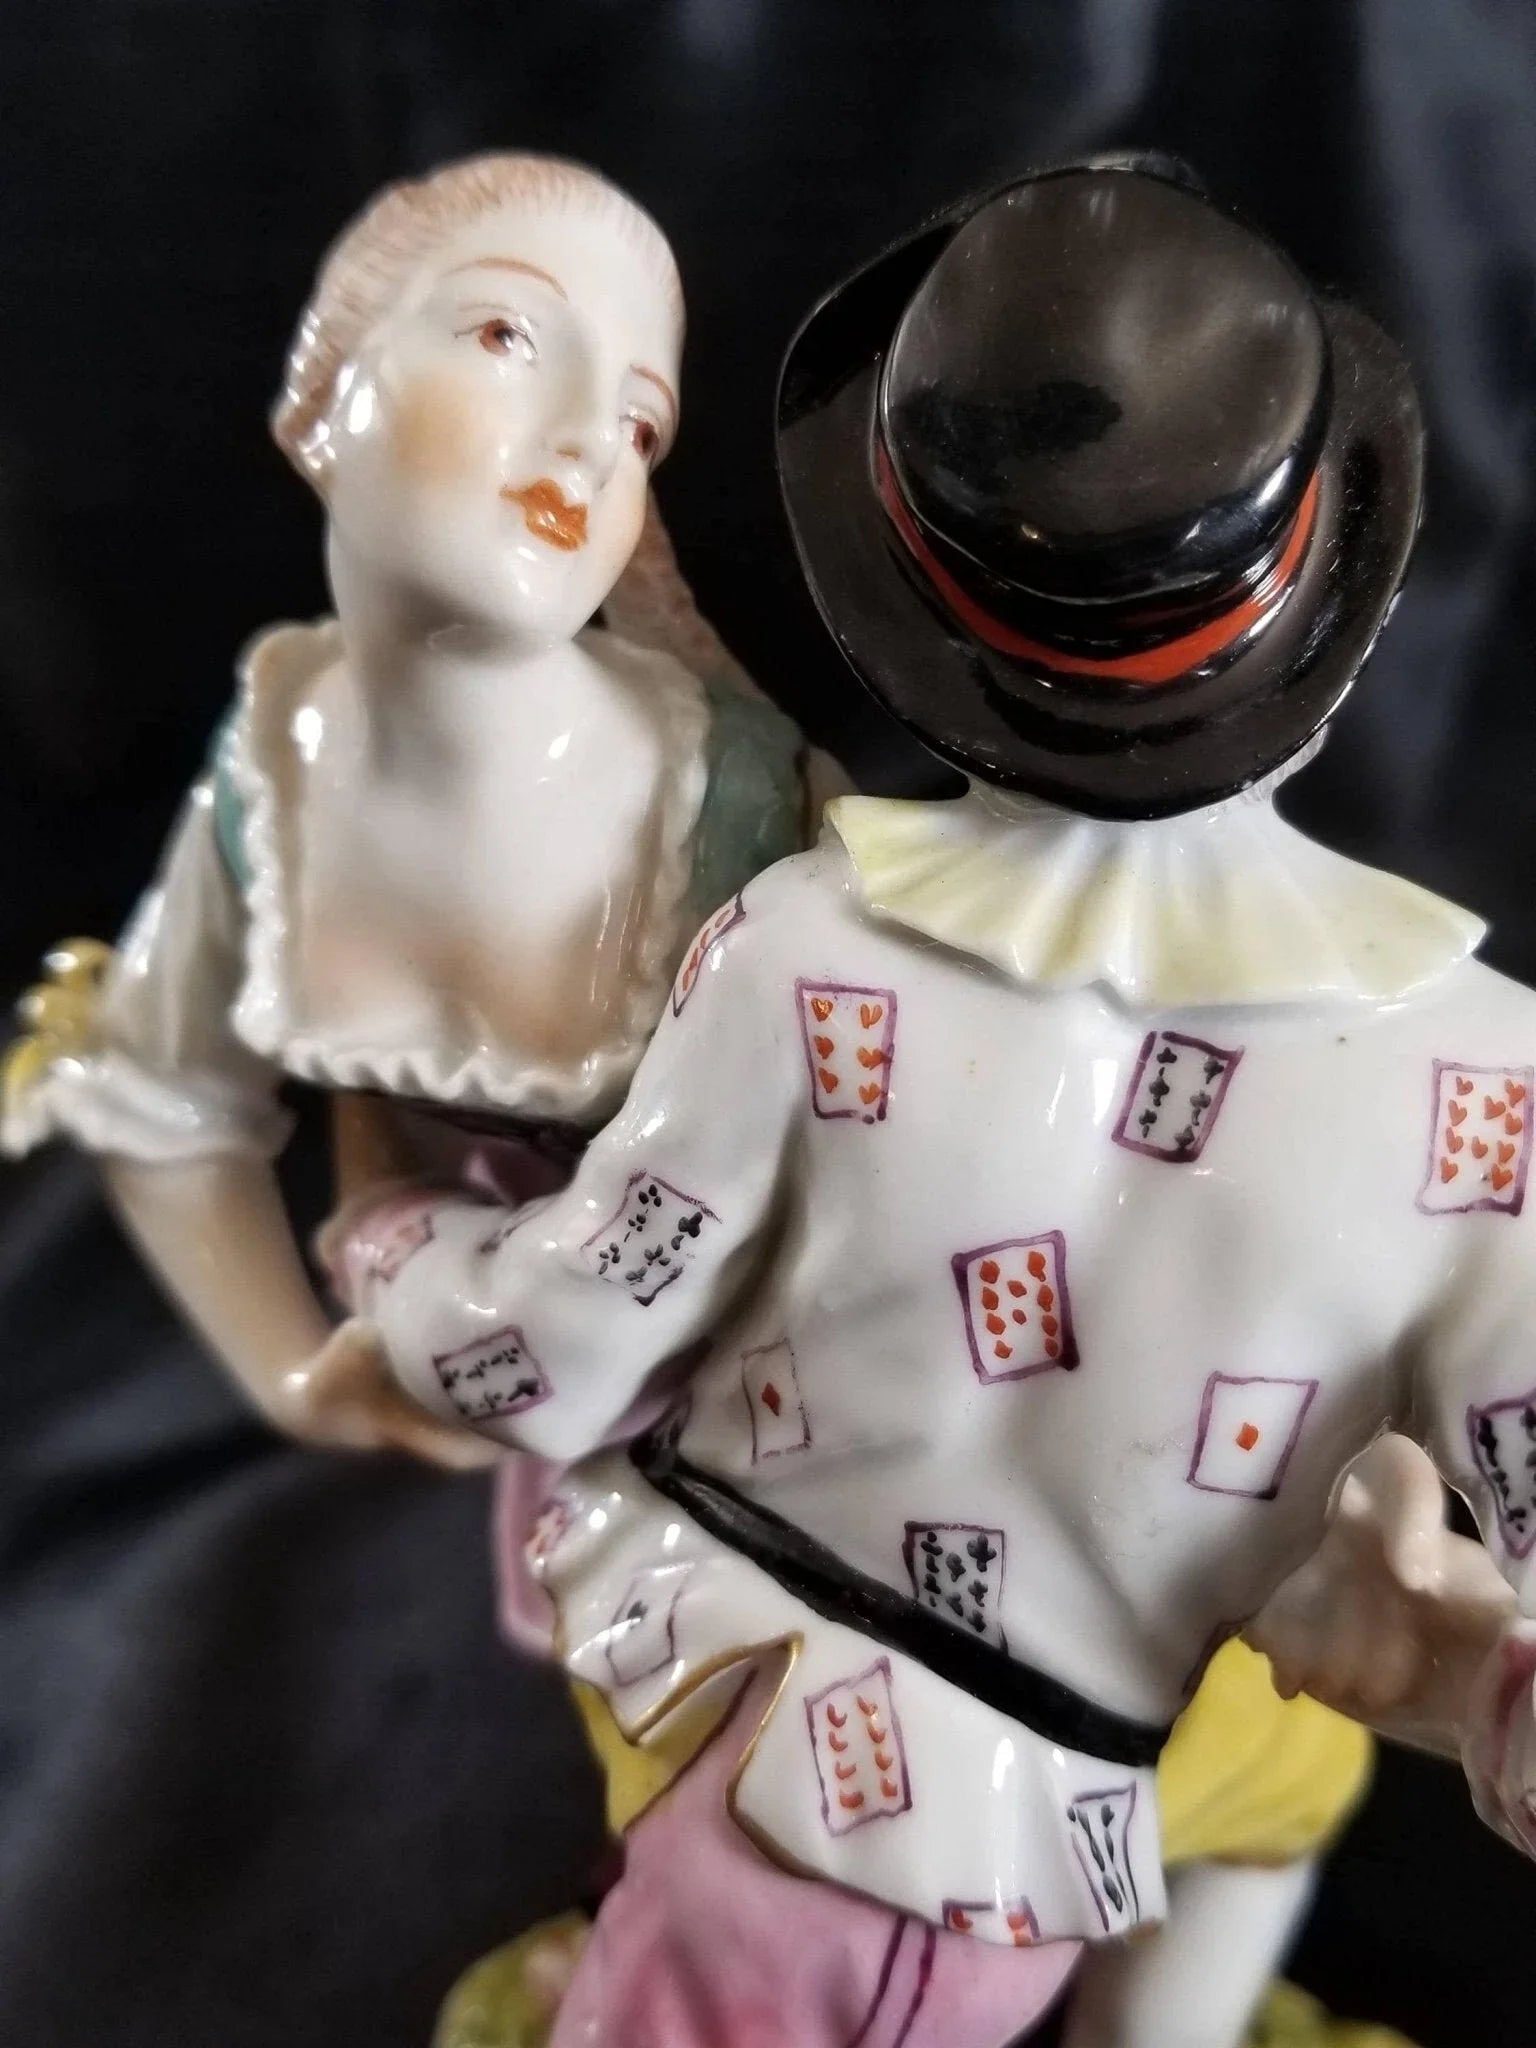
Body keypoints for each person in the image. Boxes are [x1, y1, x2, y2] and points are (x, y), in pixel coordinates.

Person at [323, 159, 1536, 2046]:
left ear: (923, 619)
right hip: (944, 1812)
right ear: (1326, 614)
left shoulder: (801, 959)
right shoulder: (1487, 1095)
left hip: (804, 1783)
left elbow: (549, 1355)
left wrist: (391, 1239)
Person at [1, 153, 821, 1464]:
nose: (584, 441)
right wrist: (296, 1378)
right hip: (509, 1396)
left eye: (639, 424)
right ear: (325, 398)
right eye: (507, 336)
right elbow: (165, 1099)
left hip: (780, 1419)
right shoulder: (272, 777)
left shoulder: (740, 808)